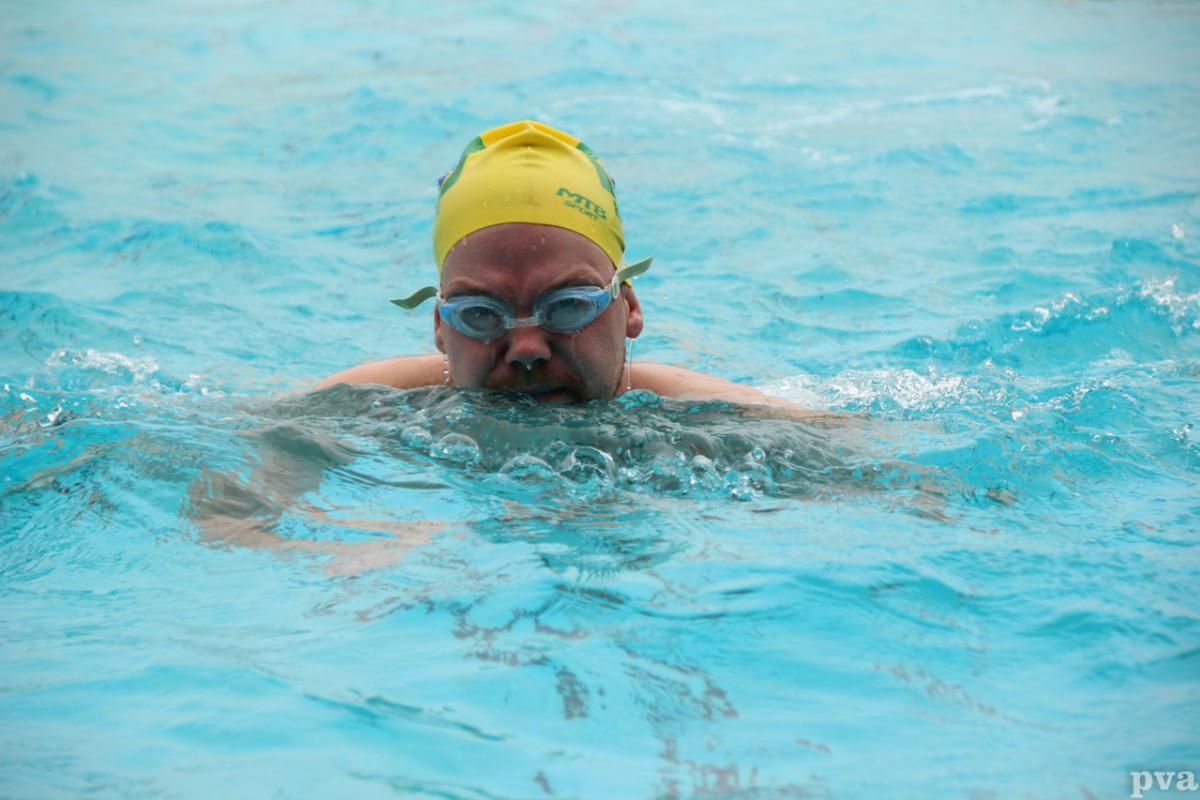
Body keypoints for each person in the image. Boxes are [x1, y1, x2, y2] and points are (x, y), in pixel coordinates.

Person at [318, 119, 803, 411]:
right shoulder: (359, 406)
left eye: (568, 306)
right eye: (480, 314)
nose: (526, 350)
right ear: (440, 328)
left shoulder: (719, 419)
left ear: (629, 306)